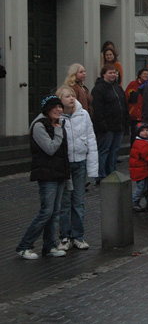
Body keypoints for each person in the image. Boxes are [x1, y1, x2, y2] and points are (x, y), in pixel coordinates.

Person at [16, 95, 70, 259]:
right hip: (46, 174)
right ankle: (24, 245)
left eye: (60, 107)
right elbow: (50, 148)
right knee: (46, 212)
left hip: (59, 173)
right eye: (55, 107)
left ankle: (49, 246)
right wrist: (59, 131)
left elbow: (64, 152)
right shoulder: (40, 125)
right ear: (47, 109)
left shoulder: (57, 124)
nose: (59, 110)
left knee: (54, 212)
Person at [56, 86, 98, 251]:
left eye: (72, 95)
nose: (71, 98)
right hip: (65, 164)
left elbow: (91, 138)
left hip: (79, 162)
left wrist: (93, 167)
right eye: (67, 96)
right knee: (65, 202)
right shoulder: (57, 117)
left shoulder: (83, 114)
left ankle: (78, 236)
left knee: (78, 201)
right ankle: (64, 237)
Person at [92, 64, 129, 184]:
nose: (113, 75)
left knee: (114, 151)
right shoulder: (99, 89)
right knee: (104, 151)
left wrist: (125, 122)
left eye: (114, 73)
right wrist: (102, 124)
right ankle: (101, 175)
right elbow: (98, 109)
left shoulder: (118, 87)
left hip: (119, 125)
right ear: (104, 74)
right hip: (107, 127)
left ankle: (112, 173)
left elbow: (124, 105)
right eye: (110, 73)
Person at [129, 123, 148, 212]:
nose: (145, 133)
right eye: (143, 131)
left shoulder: (145, 142)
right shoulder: (142, 144)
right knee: (142, 188)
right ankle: (135, 203)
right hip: (141, 171)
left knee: (147, 188)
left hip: (144, 170)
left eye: (147, 130)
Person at [125, 68, 148, 144]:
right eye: (144, 74)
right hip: (135, 115)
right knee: (134, 136)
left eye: (147, 74)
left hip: (145, 115)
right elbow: (126, 97)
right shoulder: (133, 84)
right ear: (140, 75)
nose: (145, 76)